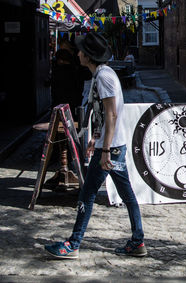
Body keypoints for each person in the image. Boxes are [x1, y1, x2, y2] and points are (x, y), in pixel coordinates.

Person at [44, 32, 147, 259]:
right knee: (127, 194)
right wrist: (95, 138)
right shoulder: (101, 74)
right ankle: (137, 241)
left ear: (89, 56)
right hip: (112, 147)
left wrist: (105, 149)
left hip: (111, 150)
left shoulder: (104, 77)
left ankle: (73, 244)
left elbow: (111, 114)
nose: (77, 53)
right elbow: (102, 114)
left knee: (87, 195)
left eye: (81, 51)